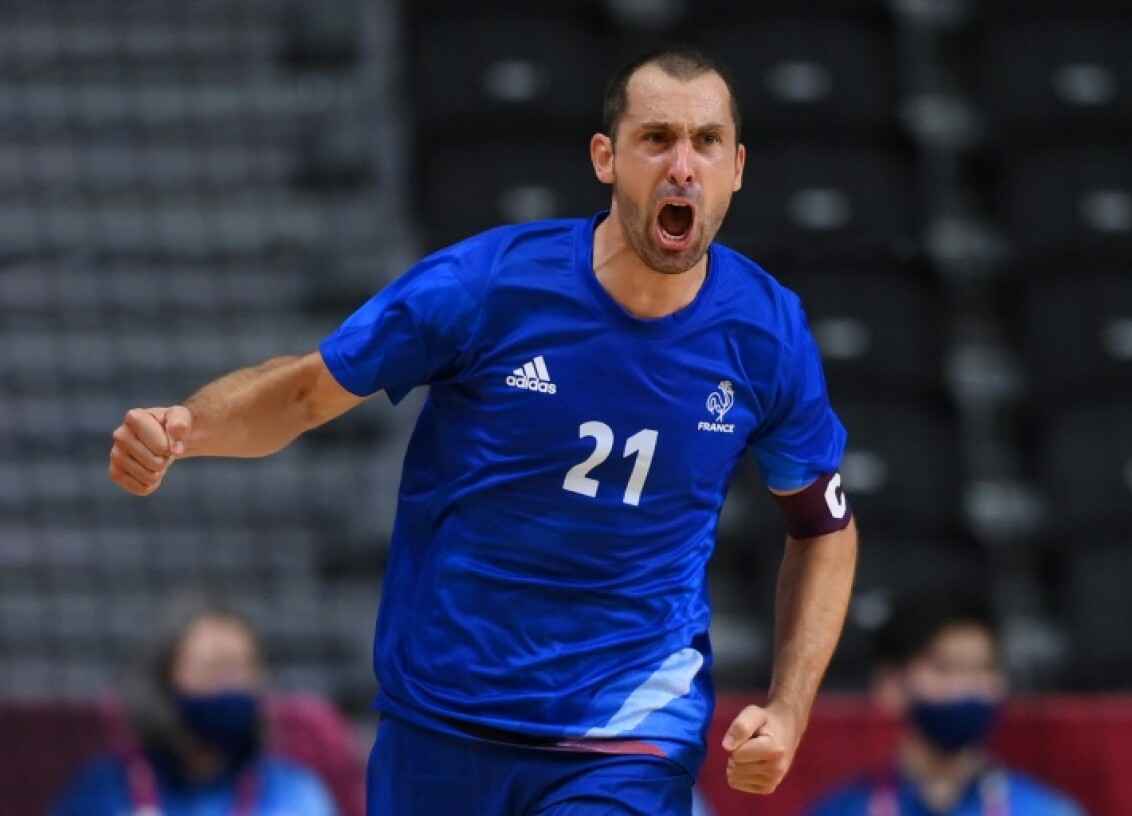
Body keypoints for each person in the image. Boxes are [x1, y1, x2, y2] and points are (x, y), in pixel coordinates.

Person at [108, 45, 859, 815]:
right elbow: (304, 394)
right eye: (656, 138)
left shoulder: (766, 335)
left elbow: (824, 528)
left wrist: (791, 706)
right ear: (606, 158)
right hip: (445, 715)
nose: (682, 165)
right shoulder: (488, 286)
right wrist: (188, 427)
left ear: (737, 167)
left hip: (626, 730)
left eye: (705, 142)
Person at [51, 594, 339, 816]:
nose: (232, 684)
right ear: (164, 679)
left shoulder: (294, 792)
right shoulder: (106, 789)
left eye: (245, 669)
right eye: (214, 668)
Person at [805, 593, 1083, 816]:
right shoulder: (842, 810)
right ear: (891, 685)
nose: (966, 687)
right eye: (945, 669)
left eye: (982, 669)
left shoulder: (1046, 810)